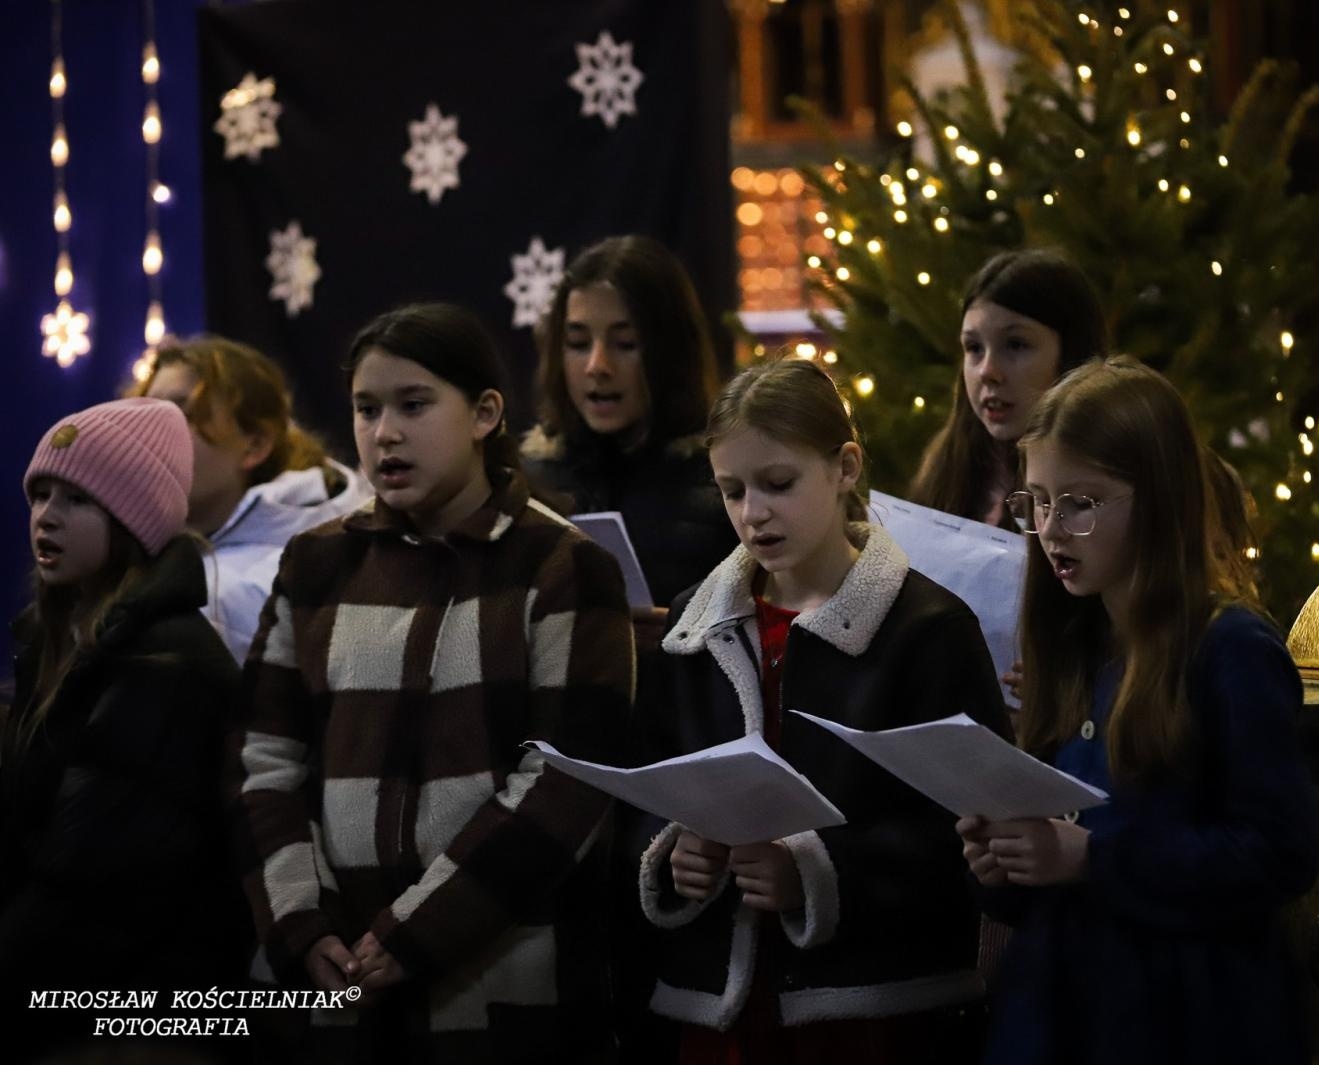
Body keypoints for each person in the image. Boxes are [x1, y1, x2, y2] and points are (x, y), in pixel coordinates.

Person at [226, 303, 636, 1063]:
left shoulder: (561, 565)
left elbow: (566, 784)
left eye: (414, 405)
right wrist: (302, 925)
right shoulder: (316, 563)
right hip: (334, 991)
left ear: (485, 414)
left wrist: (418, 932)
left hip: (506, 994)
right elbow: (263, 762)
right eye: (366, 409)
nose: (385, 433)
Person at [635, 358, 1010, 1063]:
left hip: (874, 1010)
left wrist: (816, 871)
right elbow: (646, 786)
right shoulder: (695, 624)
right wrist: (673, 851)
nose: (753, 512)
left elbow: (970, 831)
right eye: (732, 490)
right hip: (722, 1014)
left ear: (845, 467)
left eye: (778, 484)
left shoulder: (927, 627)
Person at [958, 356, 1319, 1064]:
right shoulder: (1073, 645)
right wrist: (1002, 862)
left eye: (1081, 502)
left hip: (1188, 1018)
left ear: (1157, 501)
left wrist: (1093, 857)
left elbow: (1280, 854)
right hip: (1061, 1015)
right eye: (1038, 501)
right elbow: (1049, 876)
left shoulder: (1230, 648)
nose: (1052, 529)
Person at [1, 399, 248, 1062]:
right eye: (40, 494)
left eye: (77, 499)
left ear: (132, 519)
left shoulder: (163, 663)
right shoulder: (57, 640)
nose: (46, 515)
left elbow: (90, 893)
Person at [522, 234, 737, 607]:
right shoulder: (528, 482)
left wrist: (677, 630)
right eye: (578, 343)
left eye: (625, 343)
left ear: (670, 351)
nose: (597, 366)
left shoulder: (728, 484)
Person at [133, 336, 371, 662]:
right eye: (146, 416)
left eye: (182, 413)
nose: (149, 435)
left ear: (255, 444)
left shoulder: (260, 584)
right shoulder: (131, 555)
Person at [907, 249, 1107, 526]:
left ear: (1071, 355)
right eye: (974, 347)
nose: (987, 371)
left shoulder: (1103, 485)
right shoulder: (947, 469)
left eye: (1015, 344)